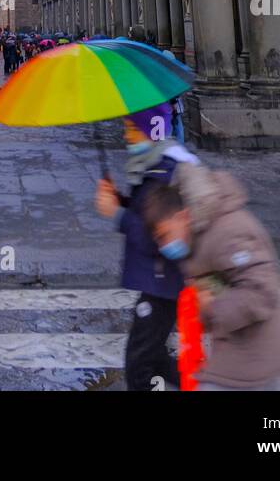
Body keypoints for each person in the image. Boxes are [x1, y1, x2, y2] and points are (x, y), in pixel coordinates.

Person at [141, 165, 280, 392]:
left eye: (165, 236)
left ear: (182, 216)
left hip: (254, 366)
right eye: (159, 241)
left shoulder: (228, 231)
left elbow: (261, 290)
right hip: (233, 358)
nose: (164, 246)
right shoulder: (196, 235)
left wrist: (213, 307)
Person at [94, 106, 199, 392]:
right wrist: (122, 201)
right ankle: (203, 384)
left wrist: (117, 213)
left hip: (164, 278)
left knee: (139, 362)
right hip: (160, 280)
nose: (127, 136)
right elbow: (148, 214)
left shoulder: (164, 170)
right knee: (155, 357)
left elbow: (160, 236)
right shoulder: (154, 164)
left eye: (132, 128)